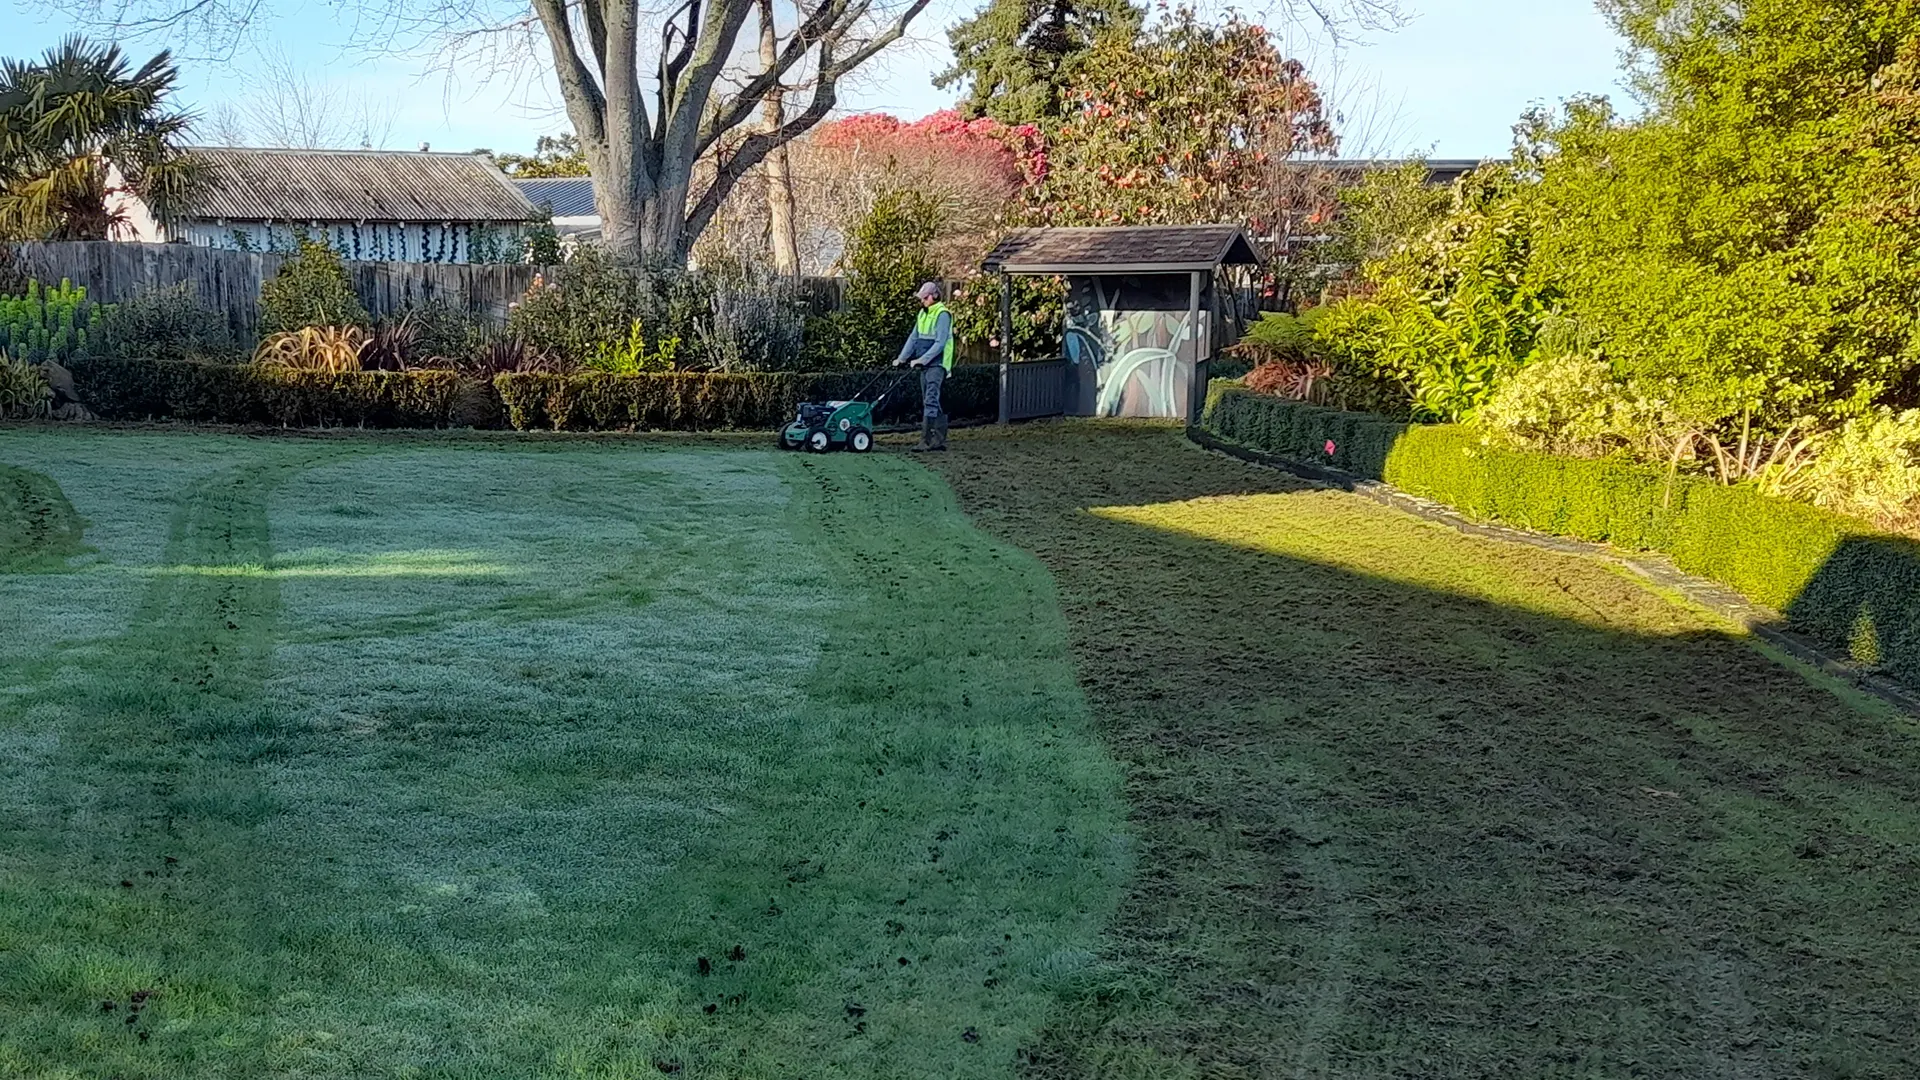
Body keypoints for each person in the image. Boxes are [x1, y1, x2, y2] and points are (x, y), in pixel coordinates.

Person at [892, 281, 953, 451]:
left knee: (930, 400)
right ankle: (938, 440)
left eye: (925, 298)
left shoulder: (942, 314)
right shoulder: (923, 313)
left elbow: (940, 343)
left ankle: (925, 441)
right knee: (931, 401)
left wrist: (922, 360)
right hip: (925, 364)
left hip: (937, 364)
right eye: (921, 298)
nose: (923, 301)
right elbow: (913, 337)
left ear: (934, 296)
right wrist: (901, 358)